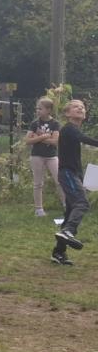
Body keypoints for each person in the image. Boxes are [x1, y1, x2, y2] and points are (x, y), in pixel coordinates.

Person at [51, 100, 98, 265]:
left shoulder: (74, 130)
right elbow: (84, 139)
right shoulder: (69, 129)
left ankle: (58, 252)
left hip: (74, 174)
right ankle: (69, 231)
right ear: (67, 113)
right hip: (67, 173)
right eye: (76, 106)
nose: (80, 108)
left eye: (82, 107)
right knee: (82, 203)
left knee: (70, 212)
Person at [26, 97, 65, 217]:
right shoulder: (34, 123)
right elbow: (28, 140)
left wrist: (38, 137)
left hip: (51, 156)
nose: (37, 111)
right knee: (38, 183)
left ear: (49, 110)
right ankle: (39, 209)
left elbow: (55, 142)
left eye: (40, 108)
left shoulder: (55, 124)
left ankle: (66, 205)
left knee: (59, 180)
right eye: (37, 108)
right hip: (37, 156)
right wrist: (44, 137)